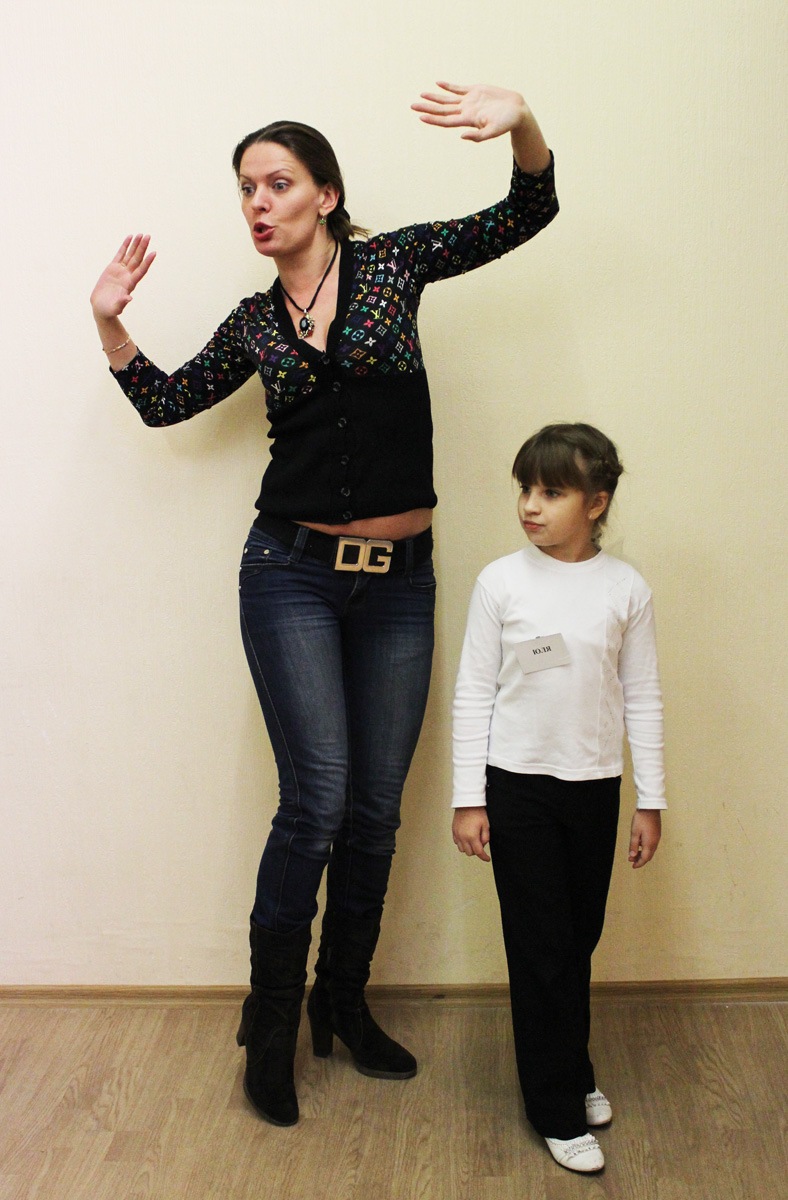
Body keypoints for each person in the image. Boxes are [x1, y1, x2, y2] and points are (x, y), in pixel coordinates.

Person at [89, 82, 559, 1128]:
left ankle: (342, 1005)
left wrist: (521, 121)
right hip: (290, 575)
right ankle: (270, 1023)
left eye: (277, 183)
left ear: (325, 195)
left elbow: (526, 211)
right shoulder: (256, 323)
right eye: (245, 189)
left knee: (376, 808)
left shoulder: (392, 266)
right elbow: (168, 401)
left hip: (399, 585)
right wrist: (111, 325)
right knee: (318, 800)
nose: (257, 204)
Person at [451, 423, 665, 1173]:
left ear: (596, 503)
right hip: (517, 787)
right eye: (525, 490)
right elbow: (473, 692)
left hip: (593, 787)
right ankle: (554, 1108)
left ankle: (572, 1070)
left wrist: (650, 800)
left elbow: (642, 696)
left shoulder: (625, 589)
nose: (530, 506)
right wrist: (468, 798)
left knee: (577, 939)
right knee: (540, 947)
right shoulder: (500, 583)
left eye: (551, 492)